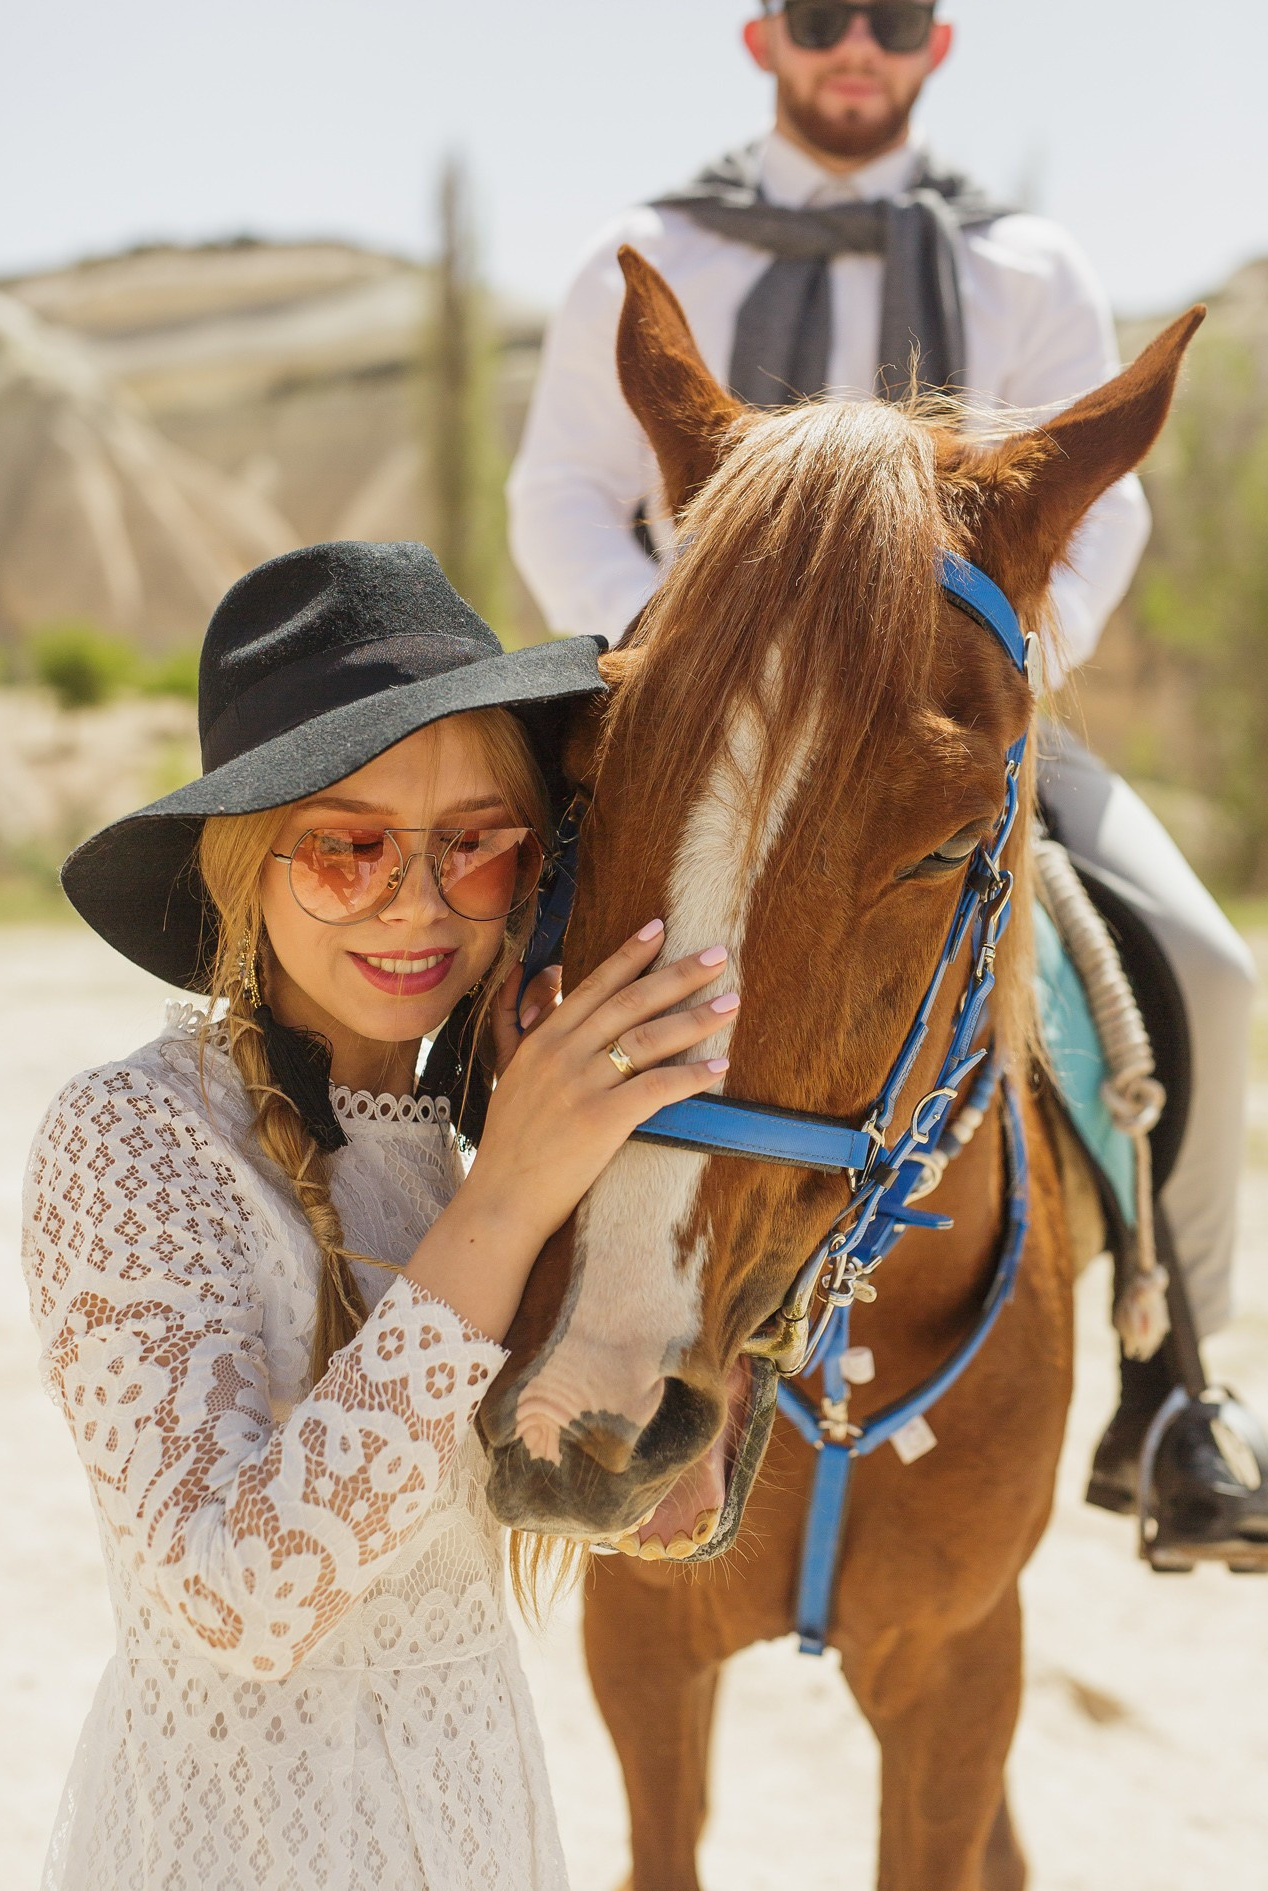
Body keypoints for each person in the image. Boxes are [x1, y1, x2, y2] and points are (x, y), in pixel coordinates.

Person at [507, 1, 1267, 1564]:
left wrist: (992, 700)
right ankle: (446, 1274)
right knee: (482, 919)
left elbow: (1087, 518)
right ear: (761, 38)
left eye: (894, 16)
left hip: (948, 730)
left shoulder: (1027, 269)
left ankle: (1178, 1384)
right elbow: (563, 491)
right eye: (821, 15)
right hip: (701, 736)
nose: (856, 42)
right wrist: (683, 679)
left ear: (936, 46)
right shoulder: (642, 253)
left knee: (1209, 963)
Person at [21, 540, 739, 1891]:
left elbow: (646, 1511)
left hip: (480, 1847)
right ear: (243, 870)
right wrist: (516, 1192)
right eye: (347, 849)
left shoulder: (474, 1140)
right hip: (232, 1868)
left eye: (475, 844)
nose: (416, 900)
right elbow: (244, 1603)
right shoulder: (129, 1141)